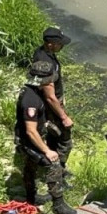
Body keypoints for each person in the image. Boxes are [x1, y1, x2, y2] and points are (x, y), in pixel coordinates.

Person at [15, 60, 76, 214]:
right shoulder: (31, 100)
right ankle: (58, 203)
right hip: (29, 141)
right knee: (53, 164)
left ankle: (31, 197)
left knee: (30, 167)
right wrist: (47, 150)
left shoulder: (33, 91)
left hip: (28, 138)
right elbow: (30, 131)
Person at [32, 27, 74, 175]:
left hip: (54, 102)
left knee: (53, 135)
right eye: (59, 43)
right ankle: (57, 170)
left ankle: (55, 166)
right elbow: (49, 96)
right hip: (51, 105)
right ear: (50, 44)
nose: (62, 46)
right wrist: (64, 117)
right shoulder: (45, 62)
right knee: (64, 138)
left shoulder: (45, 53)